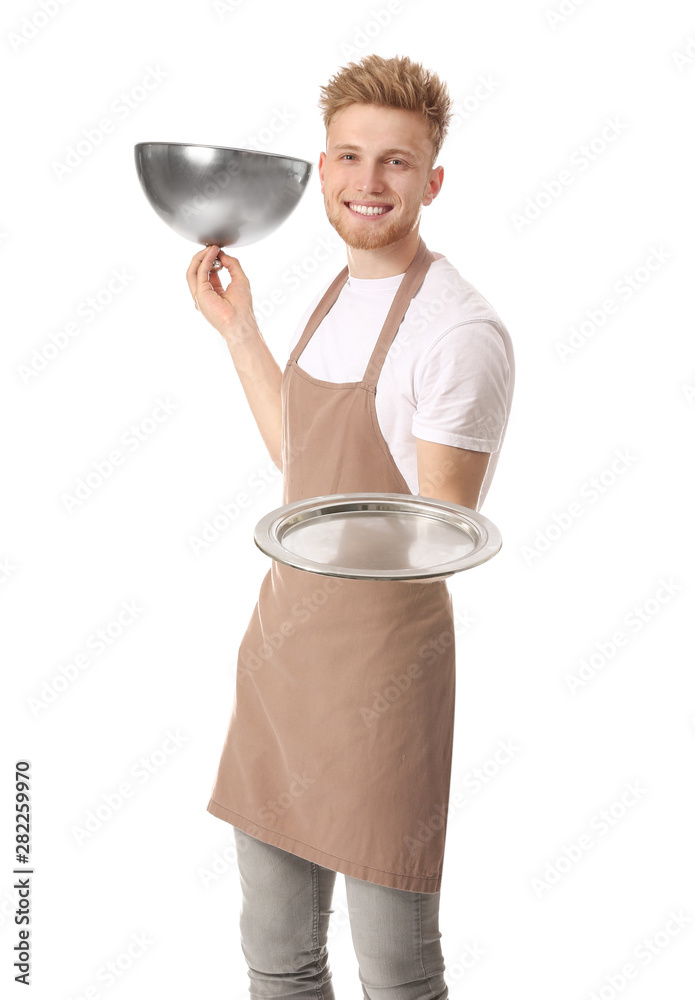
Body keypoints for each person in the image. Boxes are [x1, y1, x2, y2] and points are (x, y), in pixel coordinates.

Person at [186, 53, 514, 1000]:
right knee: (277, 959)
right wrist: (241, 332)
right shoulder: (335, 294)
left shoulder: (457, 331)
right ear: (321, 169)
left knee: (396, 972)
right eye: (348, 157)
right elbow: (305, 463)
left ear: (432, 180)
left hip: (382, 676)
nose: (368, 182)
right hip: (282, 661)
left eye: (396, 163)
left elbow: (442, 530)